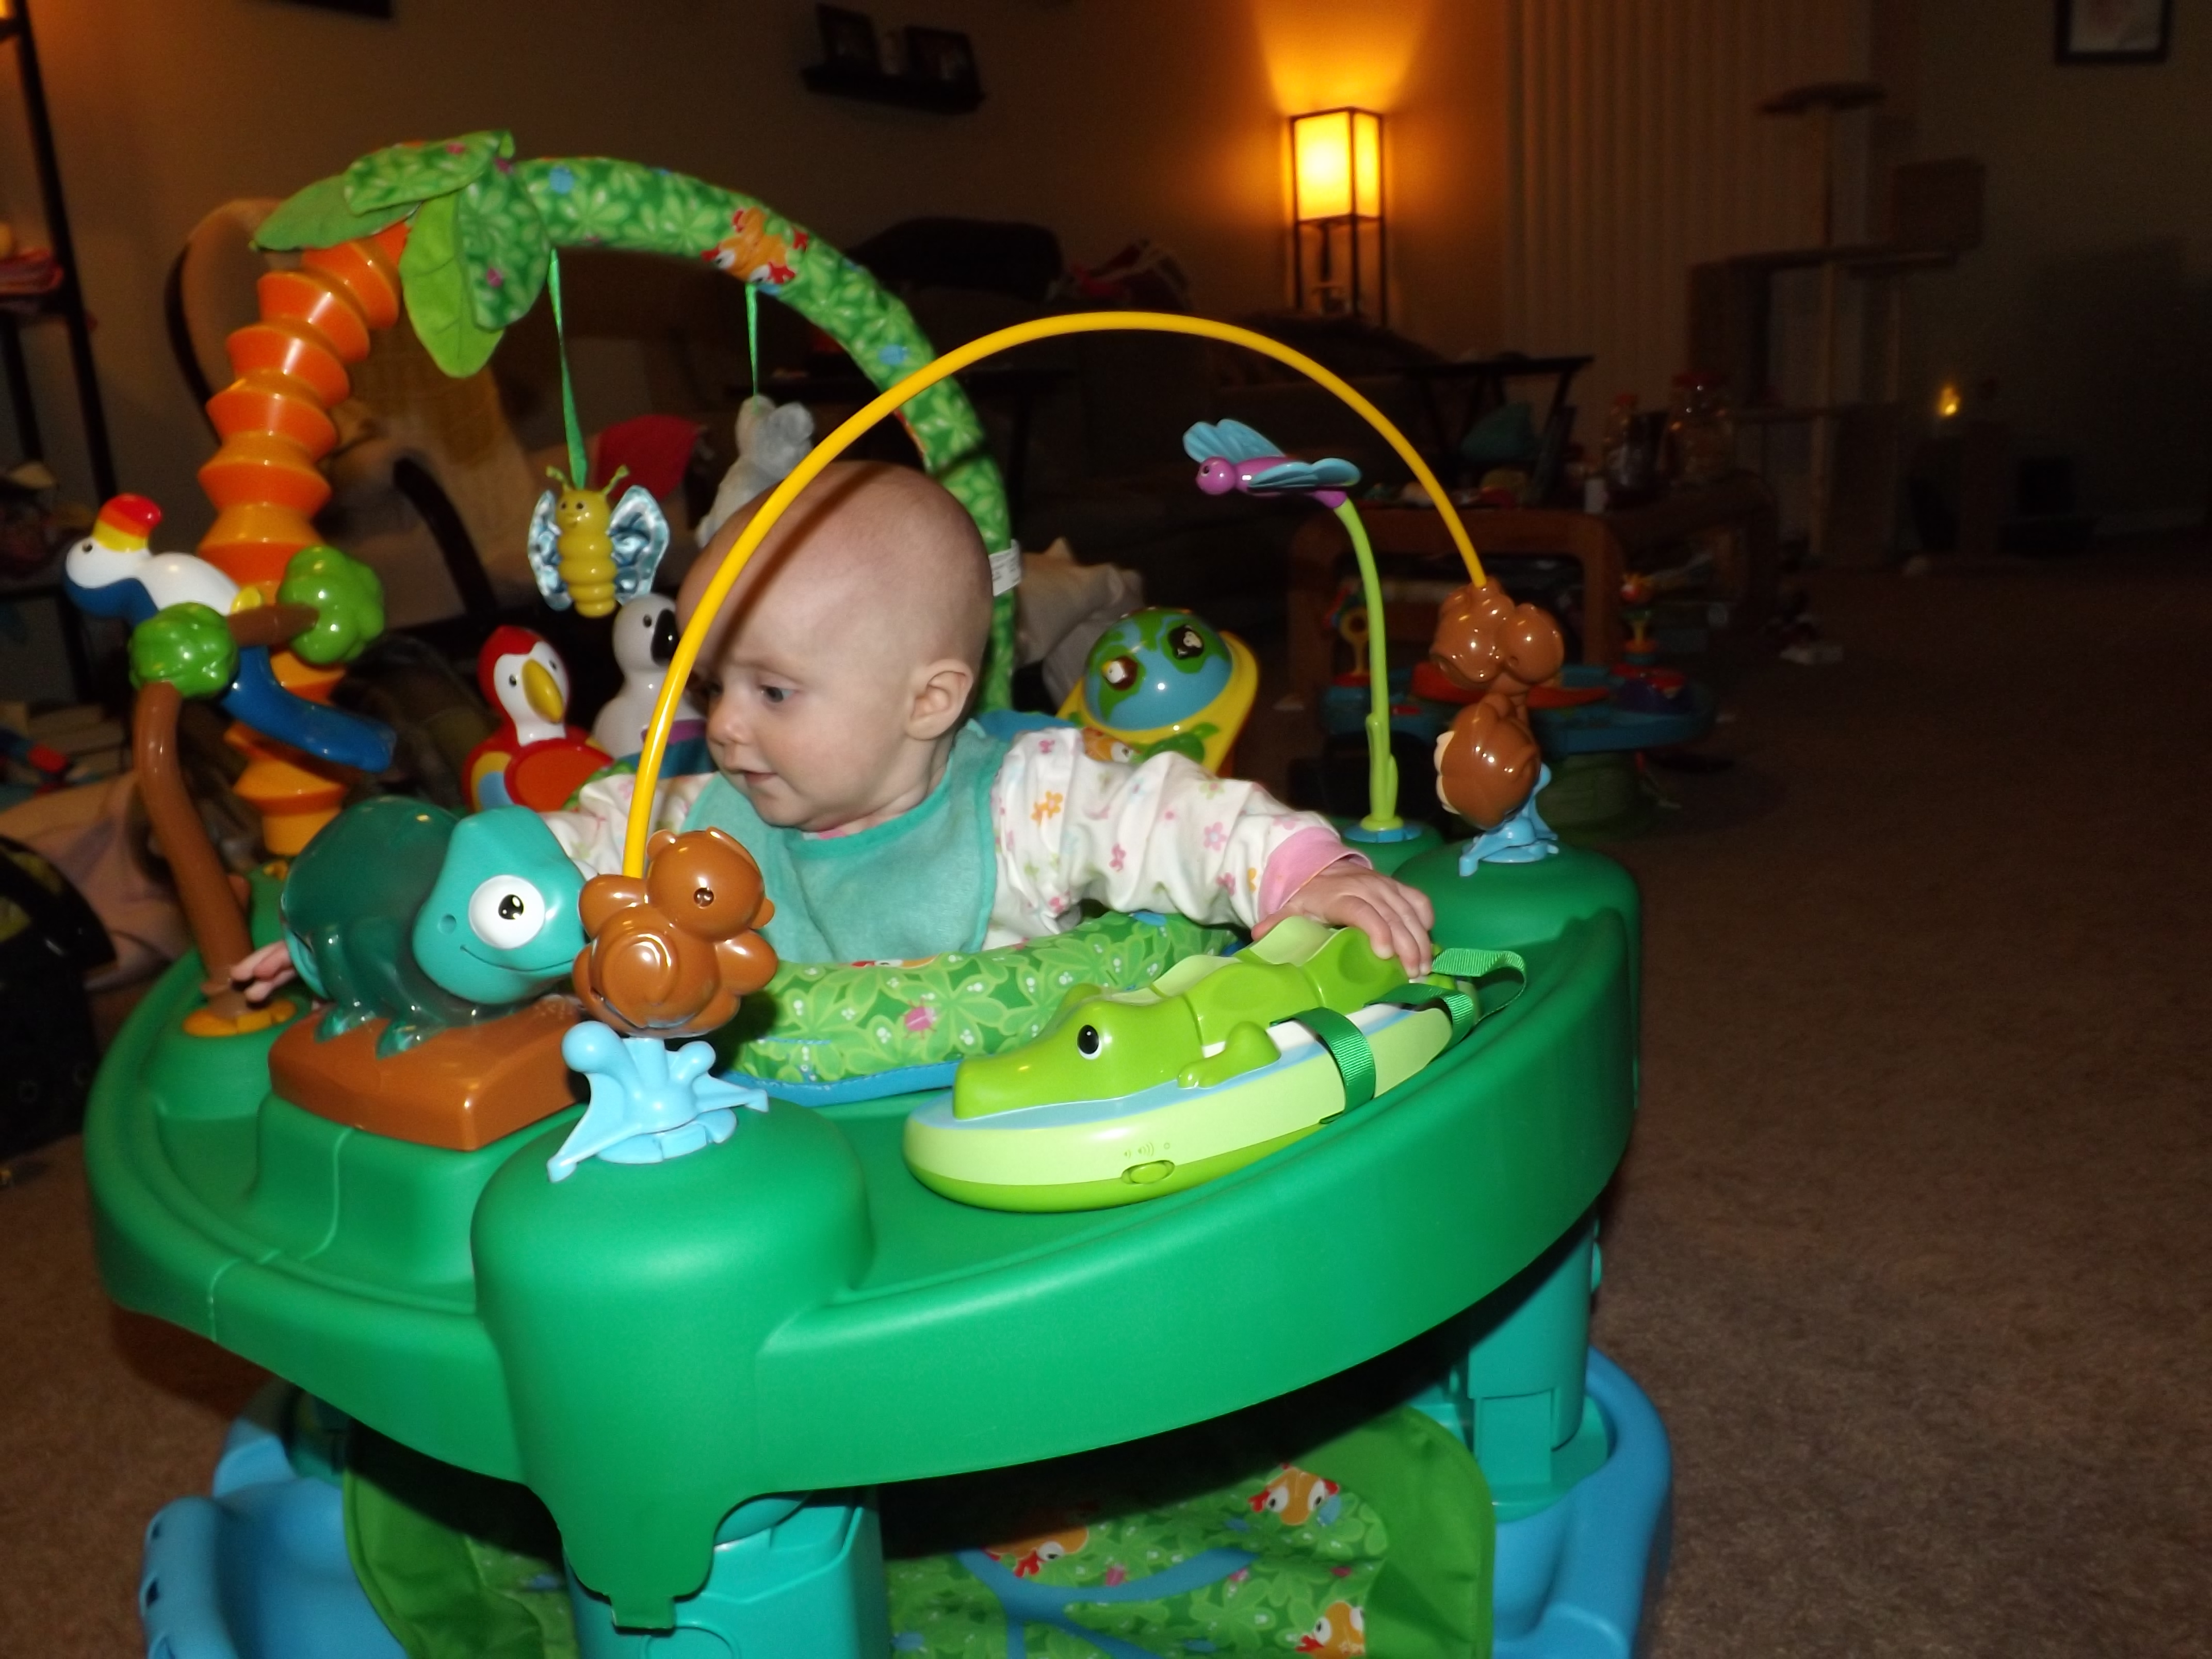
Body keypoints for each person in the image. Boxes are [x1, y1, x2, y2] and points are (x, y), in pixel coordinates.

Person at [233, 461, 1433, 1002]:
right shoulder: (693, 811)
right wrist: (384, 924)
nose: (723, 727)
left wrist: (1306, 875)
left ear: (929, 699)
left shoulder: (1028, 800)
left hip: (1004, 1134)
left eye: (773, 691)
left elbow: (1178, 816)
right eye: (710, 685)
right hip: (783, 1162)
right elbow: (535, 871)